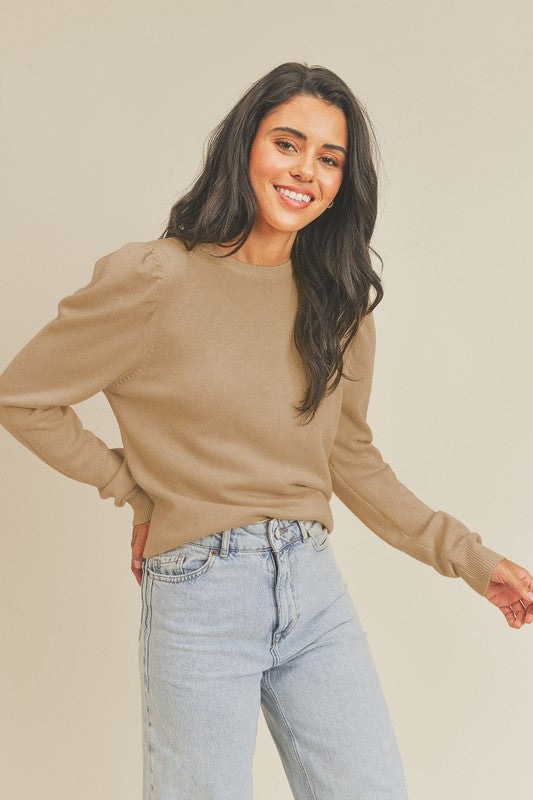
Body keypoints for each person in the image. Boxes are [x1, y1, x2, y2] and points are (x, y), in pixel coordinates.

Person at [0, 61, 532, 800]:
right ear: (245, 144)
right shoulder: (155, 278)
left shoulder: (337, 306)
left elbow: (350, 459)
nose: (306, 170)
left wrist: (471, 558)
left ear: (342, 182)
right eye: (287, 143)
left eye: (329, 158)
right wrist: (138, 490)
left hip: (311, 583)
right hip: (201, 589)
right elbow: (22, 397)